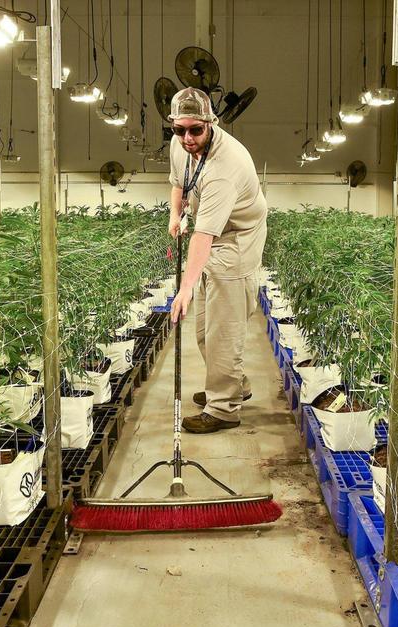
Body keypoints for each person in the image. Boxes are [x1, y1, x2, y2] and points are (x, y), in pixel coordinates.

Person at [166, 88, 268, 434]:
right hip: (210, 230)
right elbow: (179, 183)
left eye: (196, 130)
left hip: (237, 236)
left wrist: (185, 288)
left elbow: (204, 237)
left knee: (223, 328)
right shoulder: (180, 145)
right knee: (203, 330)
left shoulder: (226, 166)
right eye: (180, 130)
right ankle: (231, 383)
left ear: (212, 123)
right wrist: (175, 215)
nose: (187, 138)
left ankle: (224, 408)